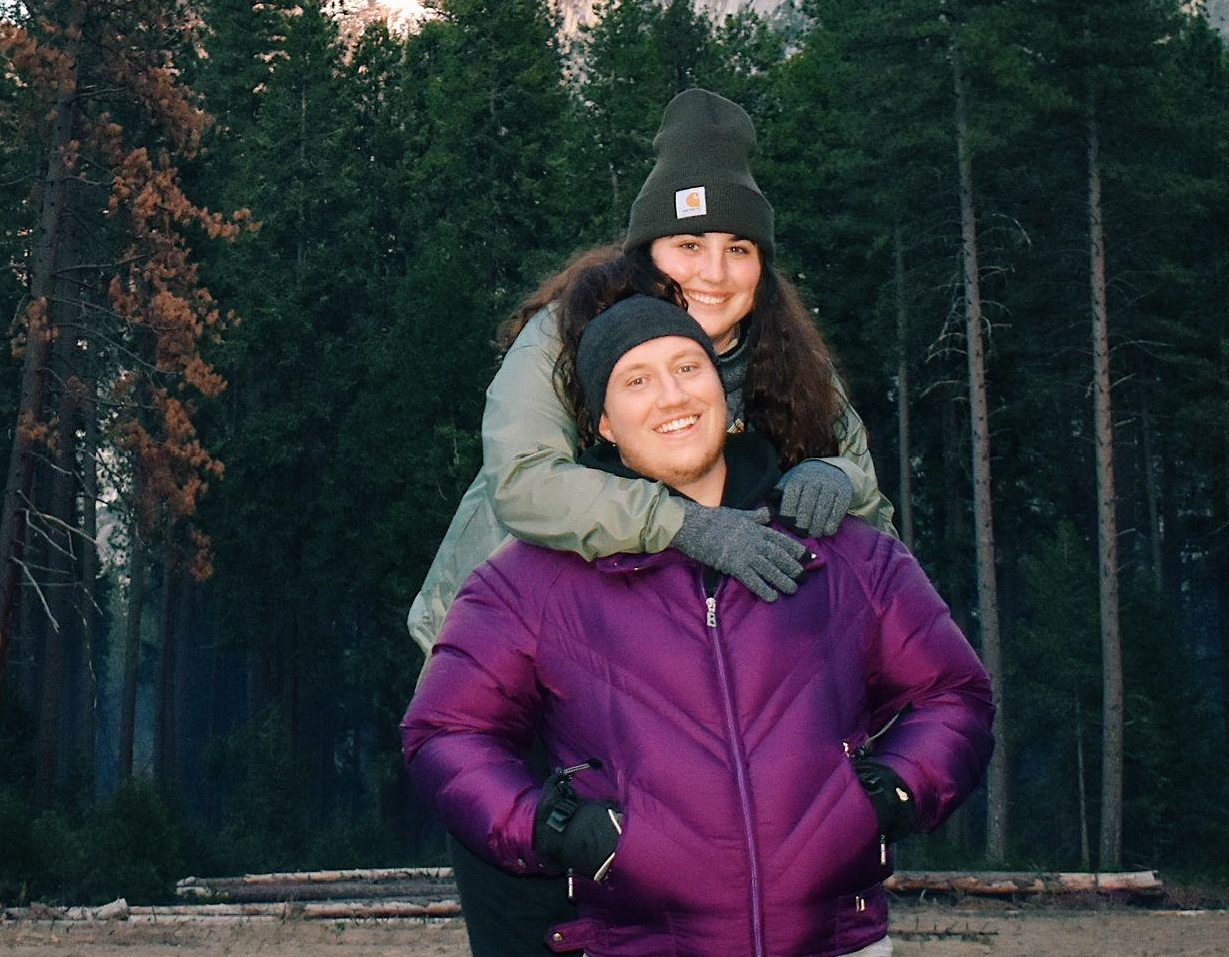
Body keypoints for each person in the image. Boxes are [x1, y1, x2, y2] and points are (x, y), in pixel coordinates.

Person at [408, 88, 897, 956]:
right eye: (687, 244)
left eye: (738, 248)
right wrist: (679, 523)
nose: (713, 271)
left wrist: (836, 476)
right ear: (646, 252)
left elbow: (872, 519)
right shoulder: (570, 334)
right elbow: (523, 481)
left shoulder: (785, 360)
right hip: (515, 685)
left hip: (662, 713)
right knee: (533, 909)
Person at [403, 290, 993, 957]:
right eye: (636, 381)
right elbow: (446, 732)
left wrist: (892, 794)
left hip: (838, 943)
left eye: (688, 368)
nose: (671, 396)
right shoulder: (530, 581)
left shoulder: (846, 552)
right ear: (603, 425)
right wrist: (555, 827)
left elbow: (953, 694)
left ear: (725, 396)